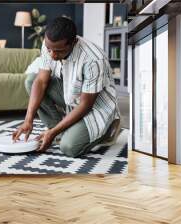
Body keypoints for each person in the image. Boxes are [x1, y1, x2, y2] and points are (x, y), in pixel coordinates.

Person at [12, 17, 121, 158]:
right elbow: (41, 81)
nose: (52, 55)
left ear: (74, 42)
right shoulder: (49, 46)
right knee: (31, 81)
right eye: (49, 49)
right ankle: (59, 130)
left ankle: (107, 129)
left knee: (68, 147)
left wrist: (53, 133)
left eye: (59, 51)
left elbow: (85, 105)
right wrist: (28, 120)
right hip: (72, 96)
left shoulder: (93, 59)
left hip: (96, 107)